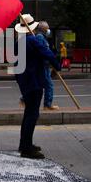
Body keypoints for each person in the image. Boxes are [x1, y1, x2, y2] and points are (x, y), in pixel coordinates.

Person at [15, 14, 61, 159]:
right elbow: (48, 54)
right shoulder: (33, 41)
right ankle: (27, 149)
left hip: (24, 81)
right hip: (34, 81)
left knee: (28, 114)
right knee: (32, 115)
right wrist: (57, 66)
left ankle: (24, 144)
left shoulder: (19, 42)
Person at [36, 21, 59, 111]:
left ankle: (24, 99)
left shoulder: (42, 37)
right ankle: (47, 105)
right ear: (44, 29)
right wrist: (53, 62)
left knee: (40, 84)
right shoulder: (40, 37)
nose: (49, 30)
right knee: (49, 85)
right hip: (42, 65)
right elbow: (44, 52)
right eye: (47, 28)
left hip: (44, 65)